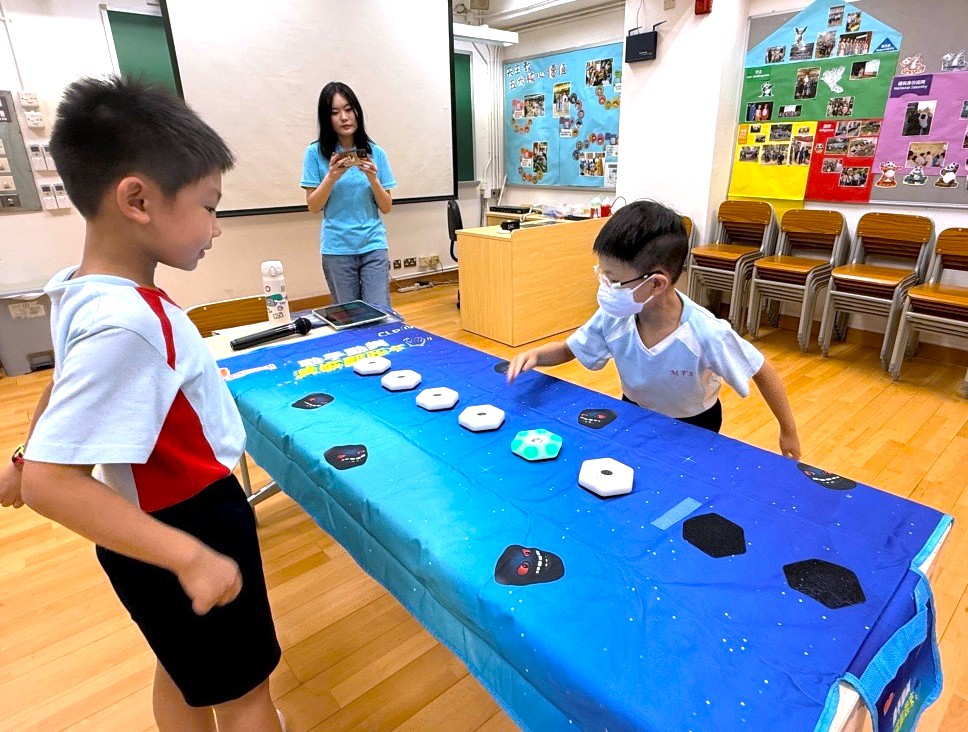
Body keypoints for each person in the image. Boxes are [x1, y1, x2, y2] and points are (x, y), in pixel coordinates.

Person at [1, 77, 283, 732]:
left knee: (183, 672)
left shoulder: (83, 291)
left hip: (140, 528)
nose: (216, 227)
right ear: (138, 200)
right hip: (188, 522)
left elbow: (64, 387)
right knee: (246, 694)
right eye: (208, 206)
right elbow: (51, 484)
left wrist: (21, 455)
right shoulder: (131, 321)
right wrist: (191, 557)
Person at [505, 200, 801, 460]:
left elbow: (762, 370)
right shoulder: (614, 317)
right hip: (633, 411)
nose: (605, 287)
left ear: (656, 283)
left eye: (613, 280)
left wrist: (788, 430)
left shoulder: (706, 332)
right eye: (602, 275)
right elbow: (571, 348)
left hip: (694, 425)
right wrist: (536, 355)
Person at [302, 81, 396, 310]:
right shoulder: (314, 153)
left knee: (379, 312)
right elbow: (313, 206)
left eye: (348, 109)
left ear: (357, 112)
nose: (344, 117)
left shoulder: (376, 152)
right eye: (335, 112)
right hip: (337, 248)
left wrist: (373, 179)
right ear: (326, 118)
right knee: (350, 315)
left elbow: (386, 207)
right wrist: (331, 177)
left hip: (373, 244)